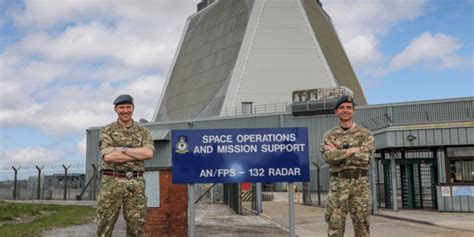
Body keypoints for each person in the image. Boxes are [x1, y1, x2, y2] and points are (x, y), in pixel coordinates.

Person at [97, 94, 155, 237]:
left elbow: (148, 154)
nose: (125, 111)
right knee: (105, 224)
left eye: (128, 107)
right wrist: (136, 153)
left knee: (136, 225)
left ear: (133, 108)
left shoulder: (143, 131)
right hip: (112, 182)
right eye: (121, 107)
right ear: (116, 109)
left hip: (136, 182)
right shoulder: (107, 130)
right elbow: (109, 156)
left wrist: (122, 149)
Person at [321, 95, 375, 237]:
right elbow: (329, 157)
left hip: (360, 186)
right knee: (334, 229)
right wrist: (352, 150)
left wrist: (339, 153)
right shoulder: (329, 135)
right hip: (338, 186)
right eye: (342, 108)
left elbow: (365, 158)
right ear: (336, 112)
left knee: (362, 228)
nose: (345, 110)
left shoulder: (365, 134)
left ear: (354, 111)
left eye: (349, 108)